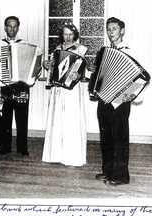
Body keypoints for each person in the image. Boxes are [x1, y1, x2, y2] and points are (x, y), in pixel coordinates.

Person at [89, 17, 150, 185]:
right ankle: (108, 171)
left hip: (120, 102)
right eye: (108, 29)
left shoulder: (131, 51)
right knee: (106, 137)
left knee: (119, 139)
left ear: (122, 31)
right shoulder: (105, 52)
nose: (111, 32)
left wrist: (130, 96)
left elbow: (142, 77)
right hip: (104, 99)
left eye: (114, 29)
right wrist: (94, 73)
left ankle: (121, 176)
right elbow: (99, 76)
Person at [42, 22, 88, 167]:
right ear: (61, 35)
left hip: (72, 90)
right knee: (57, 119)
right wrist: (47, 65)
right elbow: (53, 70)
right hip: (58, 89)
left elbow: (85, 70)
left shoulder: (81, 49)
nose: (67, 37)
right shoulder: (57, 49)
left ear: (75, 35)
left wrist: (78, 75)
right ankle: (54, 155)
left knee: (71, 120)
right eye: (65, 34)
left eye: (70, 34)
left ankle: (72, 157)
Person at [0, 16, 31, 157]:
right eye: (9, 26)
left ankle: (22, 147)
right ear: (5, 27)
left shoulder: (25, 44)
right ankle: (5, 146)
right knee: (5, 118)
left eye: (15, 26)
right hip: (5, 85)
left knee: (22, 117)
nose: (12, 29)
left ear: (18, 28)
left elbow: (30, 63)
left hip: (21, 85)